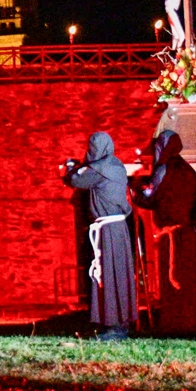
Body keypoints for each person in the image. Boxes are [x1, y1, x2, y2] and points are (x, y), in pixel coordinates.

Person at [63, 131, 137, 340]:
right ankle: (120, 322)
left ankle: (114, 327)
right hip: (118, 229)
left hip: (108, 230)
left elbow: (75, 180)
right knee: (118, 274)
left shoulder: (99, 169)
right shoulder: (116, 166)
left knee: (109, 274)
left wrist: (70, 167)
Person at [131, 131, 196, 336]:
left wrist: (135, 191)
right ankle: (192, 323)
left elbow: (150, 197)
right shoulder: (189, 171)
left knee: (173, 283)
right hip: (188, 234)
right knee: (188, 281)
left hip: (171, 236)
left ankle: (176, 326)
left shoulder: (163, 170)